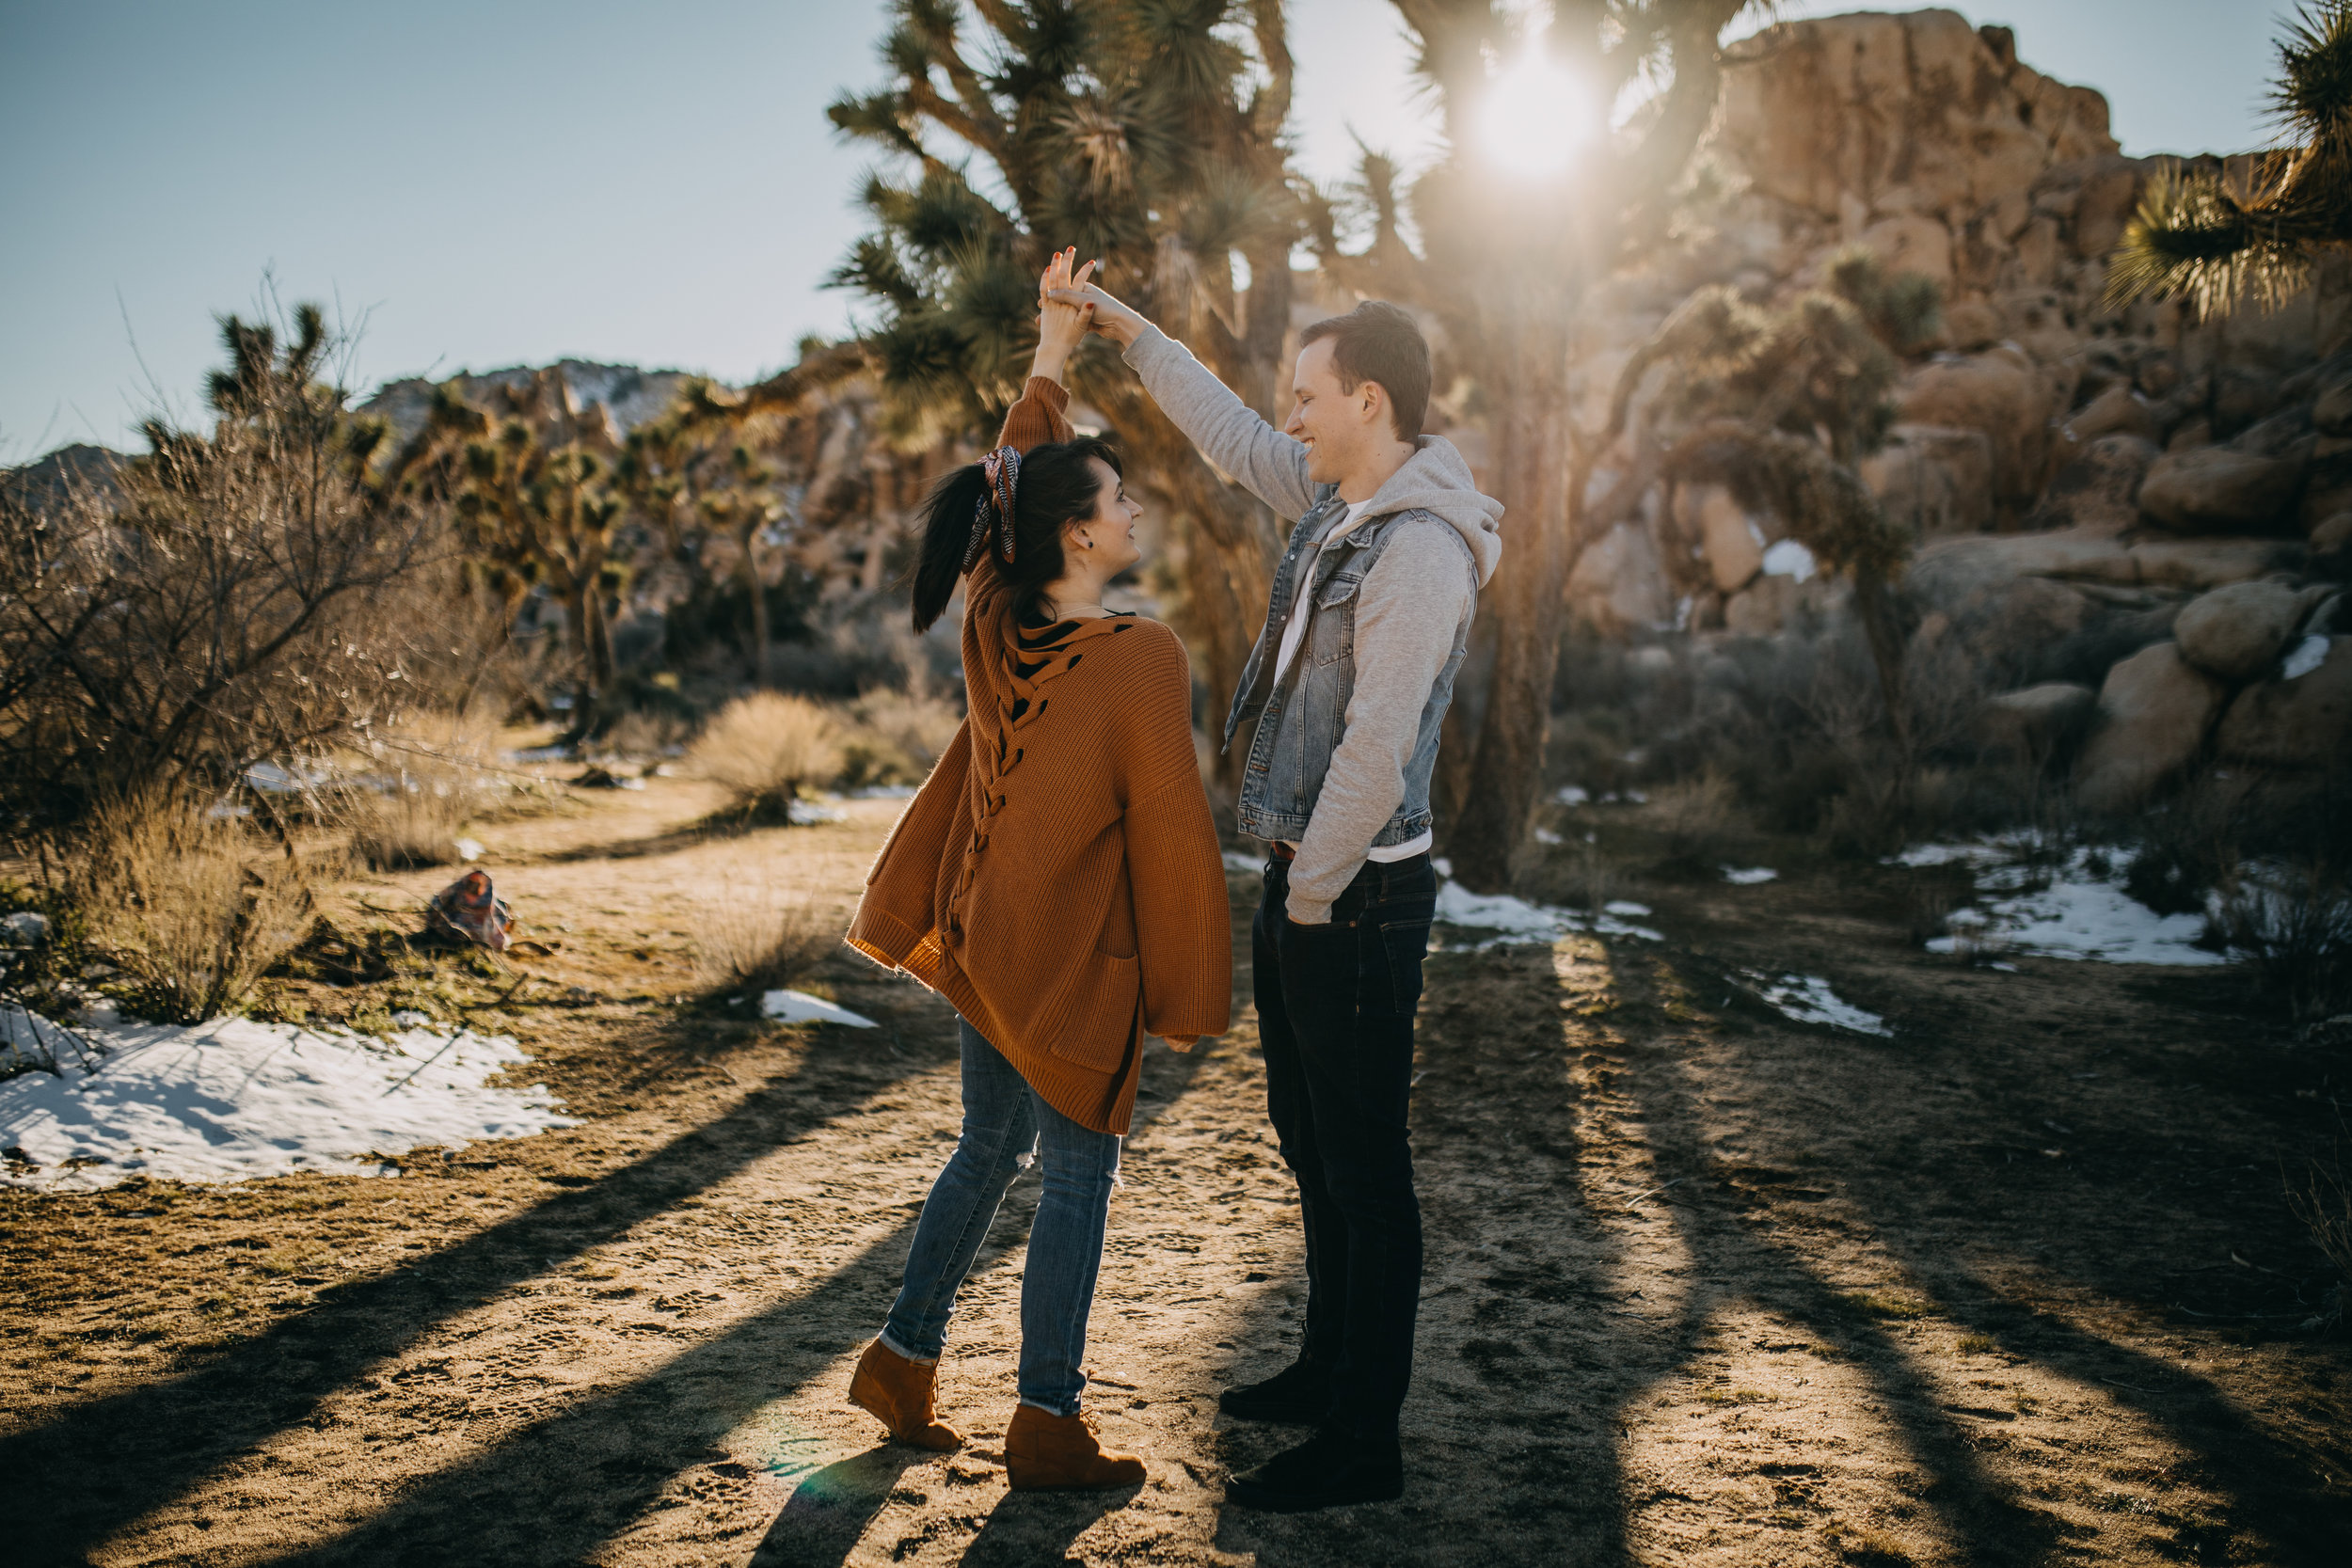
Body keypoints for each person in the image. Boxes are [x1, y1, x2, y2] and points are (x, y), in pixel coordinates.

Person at [1049, 275, 1502, 1511]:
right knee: (1313, 1146)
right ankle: (1324, 1369)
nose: (1288, 416)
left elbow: (1377, 741)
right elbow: (1230, 434)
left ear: (1369, 400)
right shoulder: (1339, 495)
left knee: (1364, 1166)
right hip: (1307, 878)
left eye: (1308, 395)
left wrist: (1311, 899)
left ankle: (1365, 1440)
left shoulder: (1415, 548)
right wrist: (1127, 330)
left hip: (1353, 899)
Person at [843, 250, 1232, 1491]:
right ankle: (1047, 1419)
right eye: (1117, 501)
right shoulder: (1137, 655)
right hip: (1064, 960)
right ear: (1078, 534)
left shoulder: (997, 614)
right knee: (1075, 1170)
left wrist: (1053, 353)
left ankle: (903, 1358)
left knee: (985, 1145)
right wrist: (1190, 995)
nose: (1134, 515)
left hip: (978, 936)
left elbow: (1004, 487)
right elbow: (1172, 834)